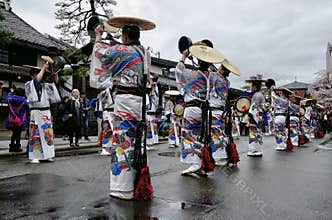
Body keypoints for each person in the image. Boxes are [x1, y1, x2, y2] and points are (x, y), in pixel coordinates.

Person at [90, 16, 155, 200]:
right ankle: (136, 182)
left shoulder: (121, 50)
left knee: (122, 140)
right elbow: (124, 50)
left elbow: (101, 54)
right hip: (139, 102)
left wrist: (98, 37)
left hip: (125, 100)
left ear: (125, 35)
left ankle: (123, 188)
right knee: (135, 142)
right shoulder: (144, 52)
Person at [175, 40, 225, 175]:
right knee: (203, 137)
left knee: (189, 136)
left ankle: (195, 163)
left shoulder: (192, 74)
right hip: (205, 111)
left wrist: (184, 57)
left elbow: (178, 72)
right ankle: (202, 164)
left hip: (192, 109)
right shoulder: (214, 76)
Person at [25, 63, 61, 163]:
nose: (40, 76)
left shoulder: (46, 86)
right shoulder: (29, 84)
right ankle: (35, 156)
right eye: (36, 74)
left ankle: (48, 155)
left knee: (47, 134)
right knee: (35, 135)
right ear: (32, 76)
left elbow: (55, 84)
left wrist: (55, 74)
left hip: (45, 112)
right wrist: (44, 68)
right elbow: (36, 81)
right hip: (35, 112)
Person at [210, 59, 240, 166]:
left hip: (214, 109)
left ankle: (219, 157)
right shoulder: (227, 82)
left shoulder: (214, 76)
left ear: (222, 69)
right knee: (222, 133)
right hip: (222, 110)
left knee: (216, 134)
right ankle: (224, 155)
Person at [246, 76, 266, 157]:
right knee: (257, 132)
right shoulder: (260, 94)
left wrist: (248, 116)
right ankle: (257, 149)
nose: (251, 87)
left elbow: (253, 107)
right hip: (259, 116)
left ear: (254, 86)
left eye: (252, 86)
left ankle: (253, 150)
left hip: (255, 116)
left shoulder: (257, 95)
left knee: (253, 132)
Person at [6, 86, 28, 152]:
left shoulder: (11, 99)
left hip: (12, 119)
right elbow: (28, 106)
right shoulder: (24, 101)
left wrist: (11, 92)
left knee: (14, 133)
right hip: (20, 120)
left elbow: (8, 97)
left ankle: (12, 146)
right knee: (18, 133)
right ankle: (17, 146)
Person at [146, 76, 160, 149]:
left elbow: (156, 97)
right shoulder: (148, 85)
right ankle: (147, 142)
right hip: (149, 109)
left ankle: (153, 140)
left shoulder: (155, 87)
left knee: (153, 125)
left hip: (153, 108)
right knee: (148, 126)